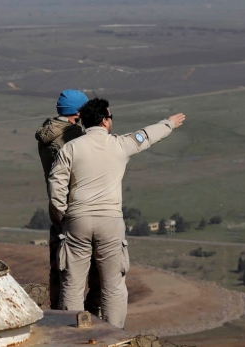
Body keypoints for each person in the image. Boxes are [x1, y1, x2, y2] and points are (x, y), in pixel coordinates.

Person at [48, 97, 185, 328]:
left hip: (77, 220)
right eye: (110, 117)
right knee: (112, 285)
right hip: (110, 223)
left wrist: (62, 216)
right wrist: (169, 123)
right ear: (104, 121)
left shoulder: (70, 148)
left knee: (72, 283)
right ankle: (113, 335)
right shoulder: (120, 144)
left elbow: (56, 184)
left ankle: (71, 335)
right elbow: (146, 136)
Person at [35, 89, 100, 313]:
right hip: (77, 212)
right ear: (78, 113)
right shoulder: (71, 137)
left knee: (60, 270)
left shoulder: (49, 131)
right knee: (88, 274)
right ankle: (87, 323)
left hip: (58, 211)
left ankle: (59, 319)